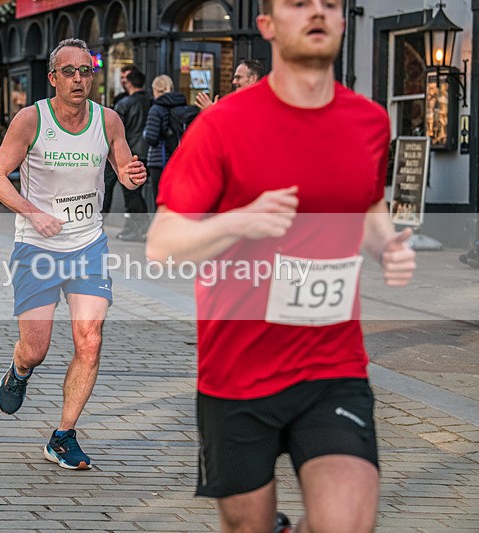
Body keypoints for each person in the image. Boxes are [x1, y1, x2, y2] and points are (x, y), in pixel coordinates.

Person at [146, 1, 416, 532]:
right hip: (237, 371)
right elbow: (162, 244)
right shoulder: (221, 126)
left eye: (329, 5)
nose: (316, 12)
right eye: (298, 3)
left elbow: (366, 203)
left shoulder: (369, 121)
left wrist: (387, 245)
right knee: (248, 525)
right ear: (267, 26)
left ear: (342, 21)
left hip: (332, 365)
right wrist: (237, 222)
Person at [0, 38, 147, 470]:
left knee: (89, 341)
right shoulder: (30, 119)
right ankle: (20, 370)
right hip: (36, 246)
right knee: (35, 348)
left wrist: (134, 176)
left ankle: (63, 435)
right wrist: (33, 212)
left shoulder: (108, 120)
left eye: (86, 71)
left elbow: (125, 174)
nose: (79, 79)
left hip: (87, 244)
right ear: (53, 78)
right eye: (69, 72)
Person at [113, 67, 151, 241]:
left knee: (131, 194)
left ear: (128, 82)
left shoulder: (124, 104)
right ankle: (139, 228)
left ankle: (139, 228)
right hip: (150, 154)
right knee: (137, 194)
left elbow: (115, 132)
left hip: (131, 155)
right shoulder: (152, 102)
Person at [142, 74, 186, 211]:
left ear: (156, 90)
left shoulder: (156, 109)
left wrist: (145, 133)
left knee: (160, 201)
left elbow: (152, 137)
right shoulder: (181, 106)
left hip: (159, 160)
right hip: (178, 159)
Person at [101, 64, 135, 214]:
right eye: (121, 78)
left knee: (129, 189)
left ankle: (134, 225)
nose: (123, 81)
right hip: (116, 148)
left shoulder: (127, 102)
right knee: (107, 185)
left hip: (128, 149)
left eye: (125, 78)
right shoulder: (121, 99)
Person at [195, 59, 264, 110]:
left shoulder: (262, 105)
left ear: (253, 78)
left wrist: (213, 112)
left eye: (238, 77)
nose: (234, 82)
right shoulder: (234, 103)